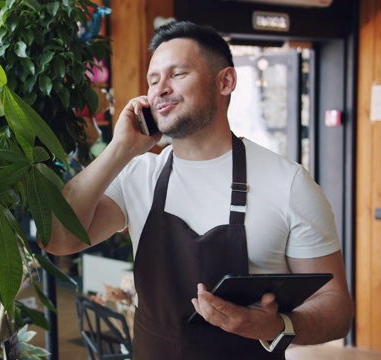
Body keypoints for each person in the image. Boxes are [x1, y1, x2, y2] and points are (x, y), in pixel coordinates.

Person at [42, 20, 353, 359]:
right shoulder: (138, 174)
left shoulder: (289, 184)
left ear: (226, 81)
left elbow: (336, 309)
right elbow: (58, 238)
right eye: (153, 80)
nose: (160, 89)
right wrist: (119, 149)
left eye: (178, 74)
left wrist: (275, 326)